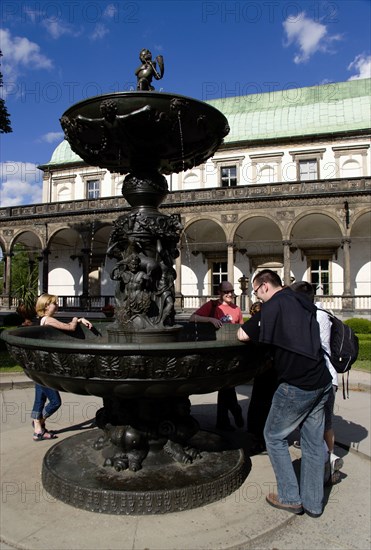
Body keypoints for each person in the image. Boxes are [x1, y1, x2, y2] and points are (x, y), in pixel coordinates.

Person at [237, 269, 332, 518]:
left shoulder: (273, 306)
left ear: (265, 286)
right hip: (321, 381)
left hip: (297, 385)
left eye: (256, 292)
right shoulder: (300, 300)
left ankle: (290, 497)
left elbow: (243, 334)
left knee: (273, 436)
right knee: (312, 444)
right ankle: (313, 503)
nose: (257, 298)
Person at [291, 281, 343, 483]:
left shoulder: (313, 316)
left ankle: (327, 461)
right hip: (330, 377)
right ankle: (329, 460)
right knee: (326, 424)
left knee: (315, 424)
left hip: (321, 378)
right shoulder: (324, 313)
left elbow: (312, 348)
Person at [31, 294, 93, 441]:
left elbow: (65, 325)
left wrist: (79, 319)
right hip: (46, 368)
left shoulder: (44, 320)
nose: (57, 305)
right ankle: (38, 422)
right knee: (55, 402)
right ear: (46, 306)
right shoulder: (49, 320)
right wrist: (77, 319)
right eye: (54, 303)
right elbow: (70, 328)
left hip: (40, 366)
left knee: (39, 399)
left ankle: (38, 430)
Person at [189, 281, 244, 431]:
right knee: (226, 386)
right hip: (217, 352)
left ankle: (225, 419)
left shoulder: (237, 309)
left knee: (226, 386)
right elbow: (192, 318)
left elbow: (241, 329)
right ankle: (230, 414)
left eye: (231, 291)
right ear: (219, 292)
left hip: (232, 353)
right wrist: (210, 319)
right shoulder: (212, 306)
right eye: (226, 291)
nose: (230, 294)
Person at [245, 301, 277, 454]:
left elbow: (242, 335)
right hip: (272, 370)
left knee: (260, 404)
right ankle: (263, 437)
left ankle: (259, 438)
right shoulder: (274, 323)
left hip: (265, 371)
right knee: (267, 404)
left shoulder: (258, 326)